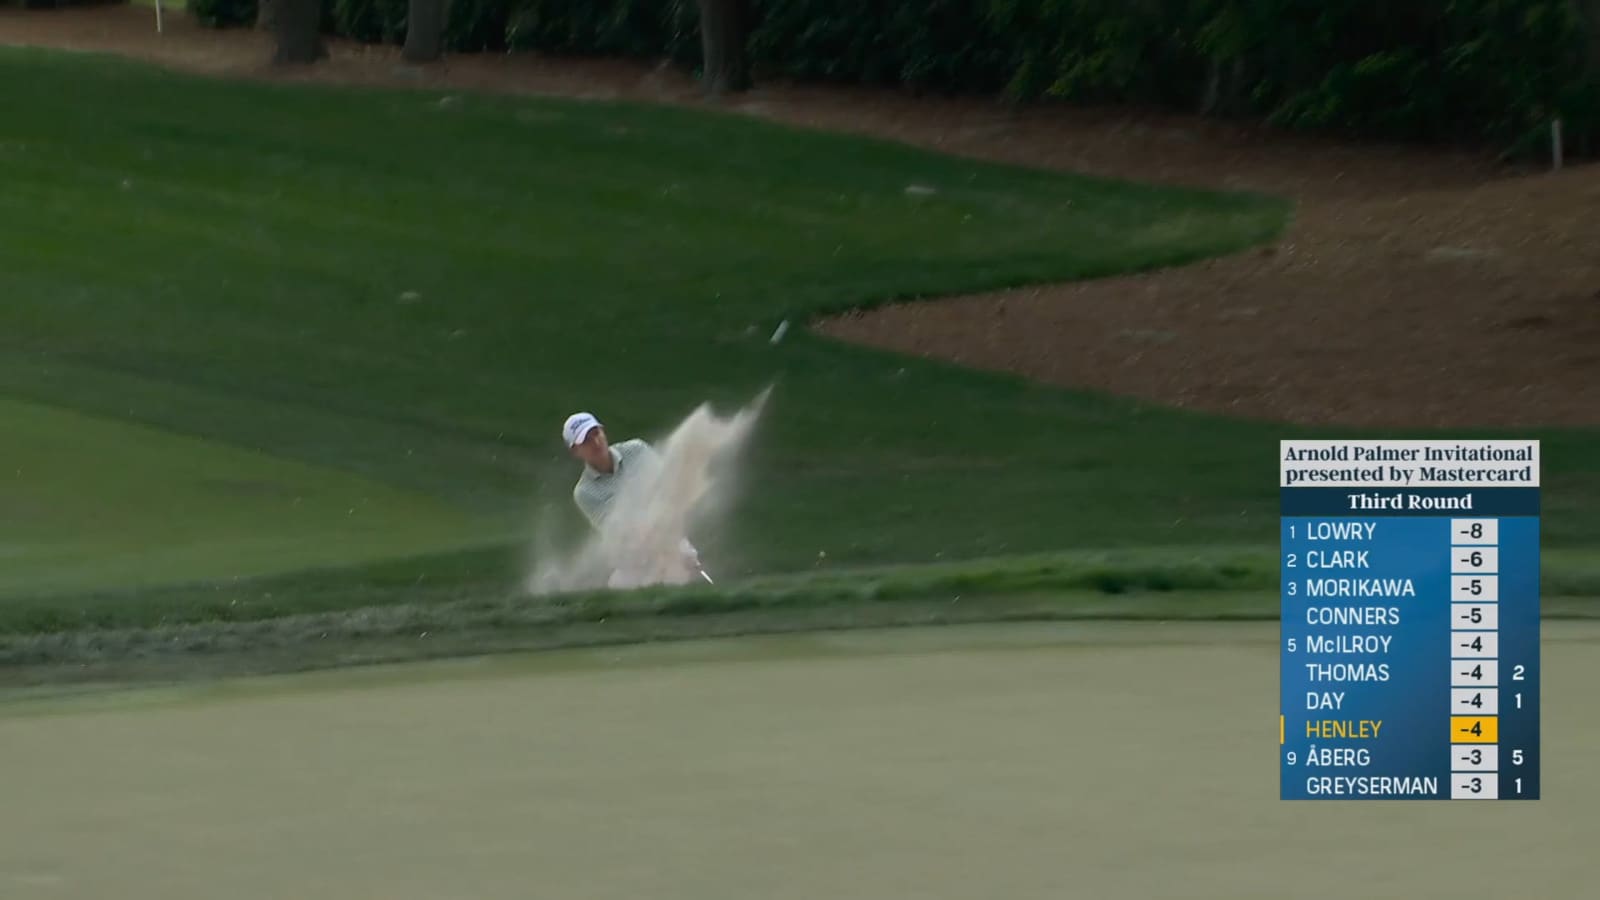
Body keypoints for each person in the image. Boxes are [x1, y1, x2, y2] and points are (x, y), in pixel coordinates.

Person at [563, 411, 705, 589]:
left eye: (596, 433)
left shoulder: (636, 450)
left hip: (667, 534)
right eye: (586, 441)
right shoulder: (585, 492)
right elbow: (617, 531)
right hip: (632, 558)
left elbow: (668, 490)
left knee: (686, 572)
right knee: (622, 592)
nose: (596, 442)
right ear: (575, 451)